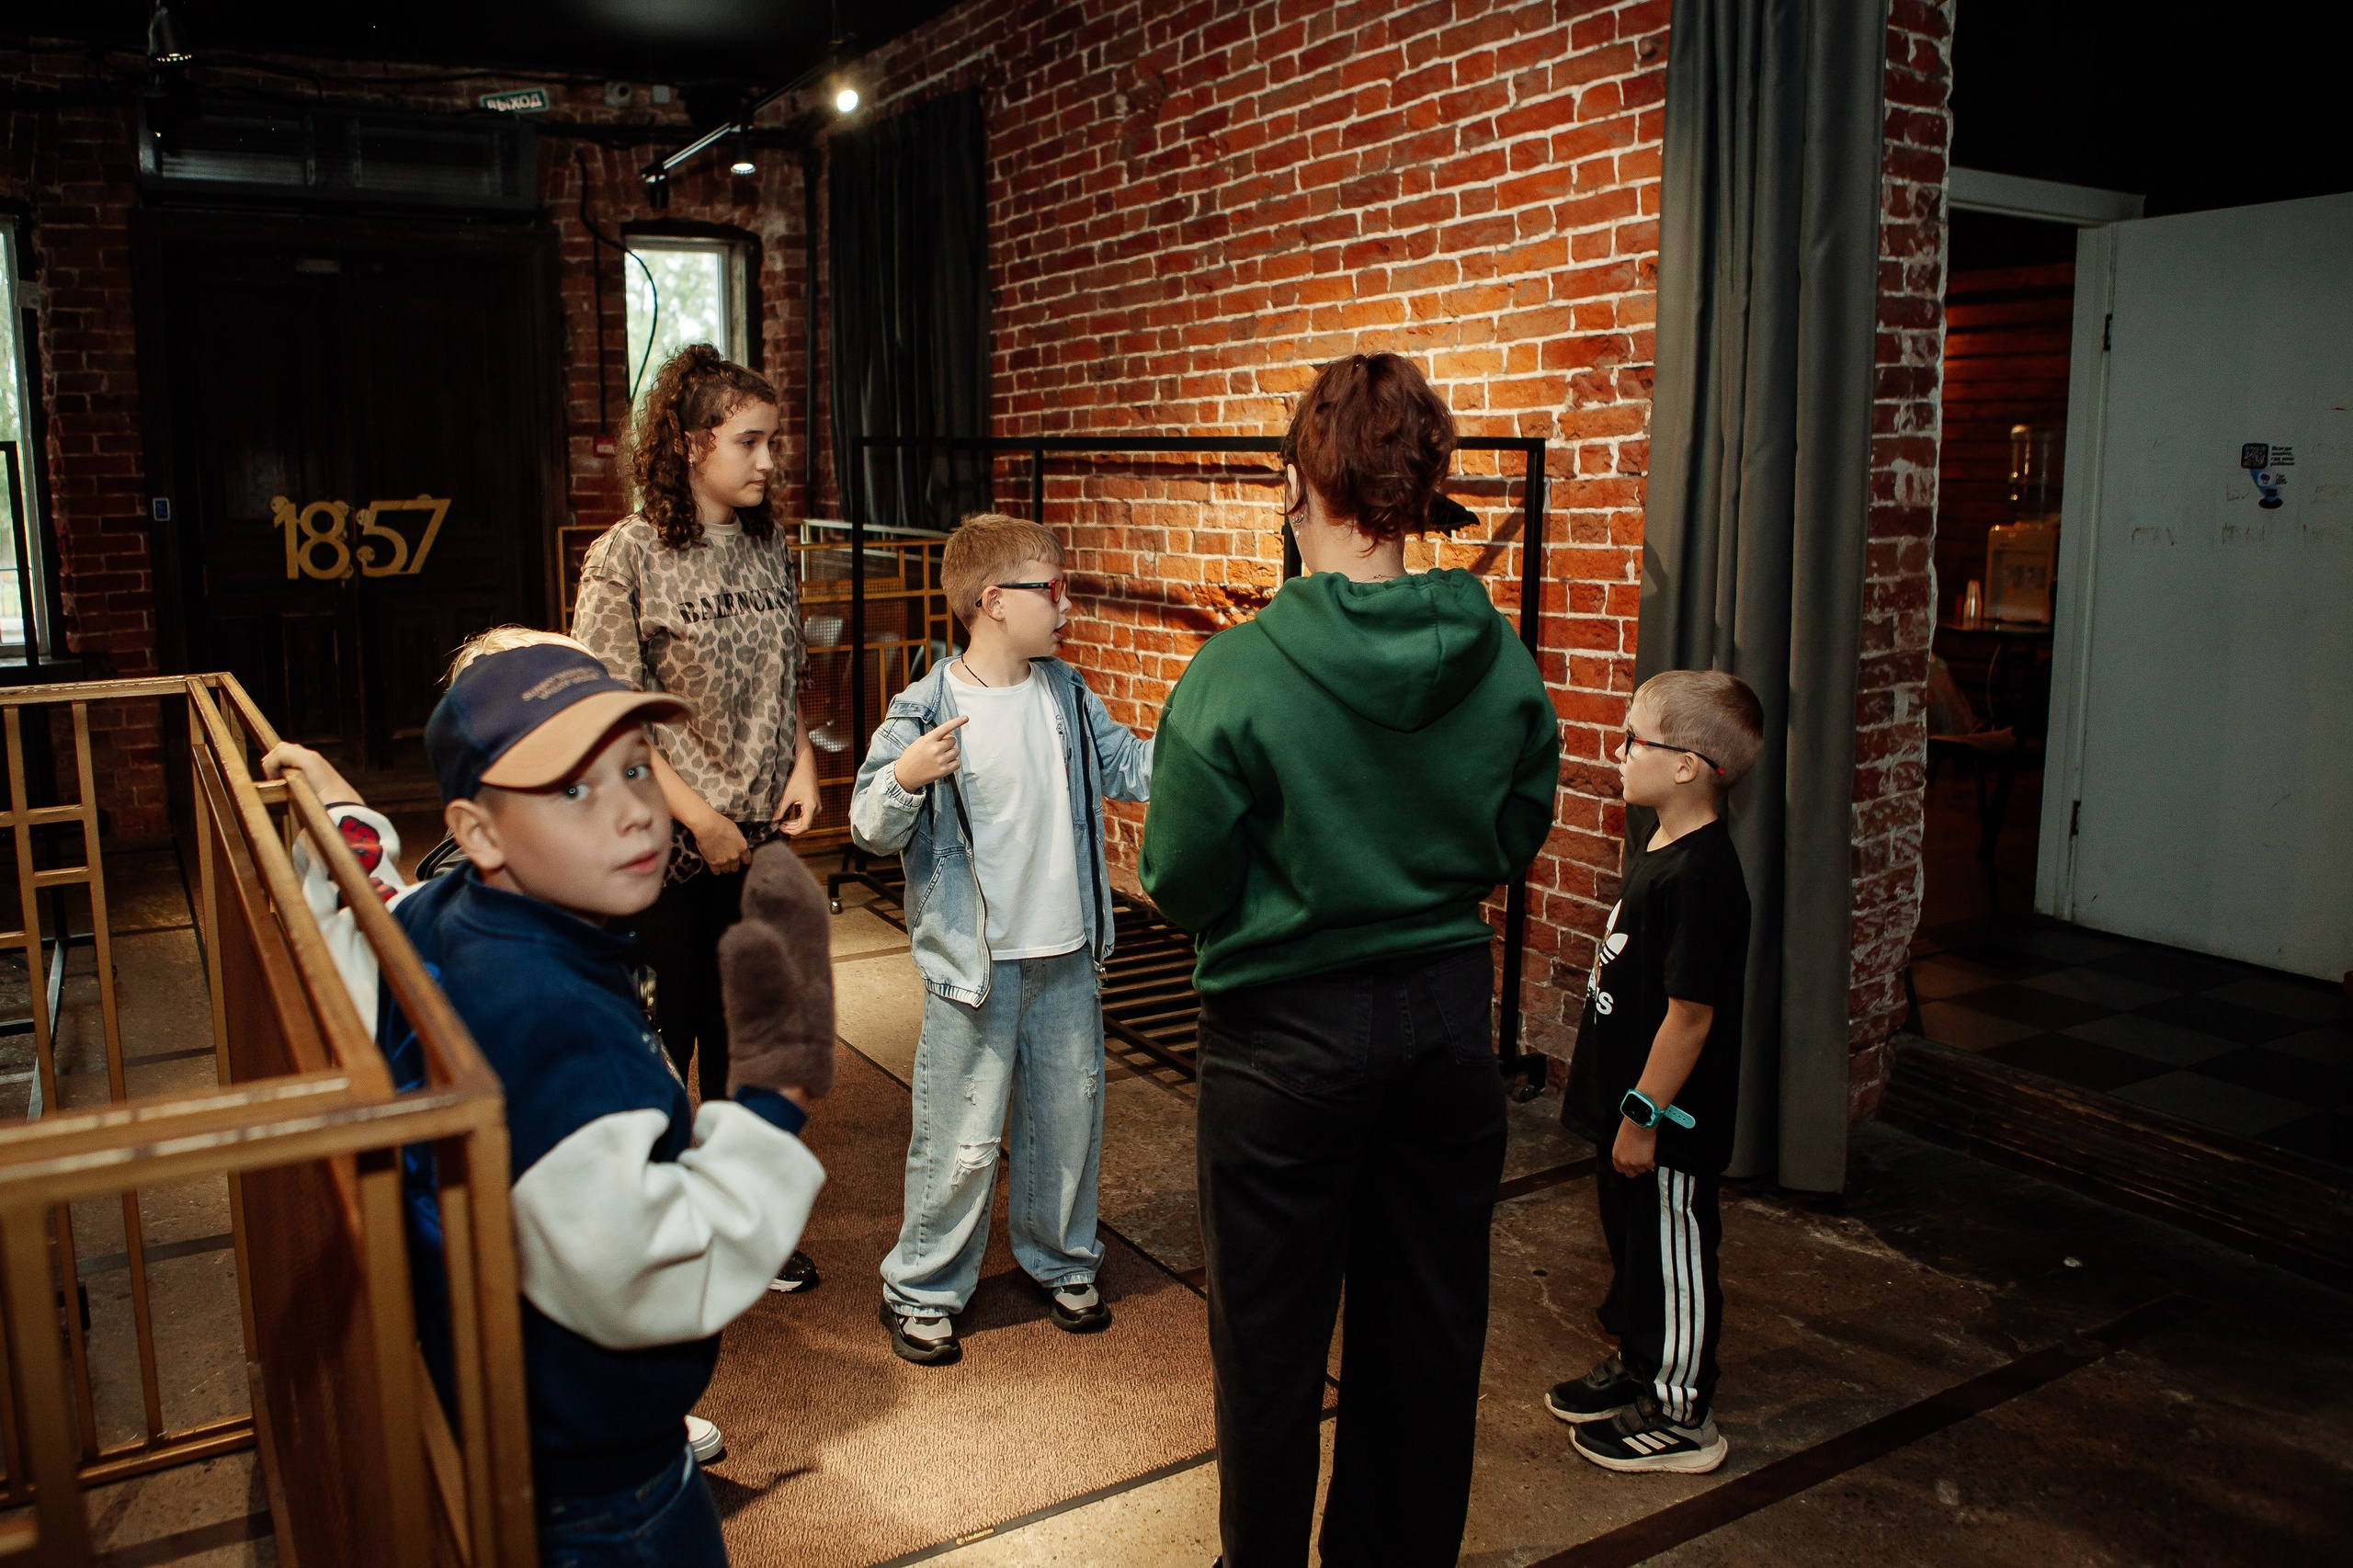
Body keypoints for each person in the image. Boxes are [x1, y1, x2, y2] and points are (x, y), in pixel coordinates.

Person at [266, 636, 832, 1566]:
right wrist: (774, 1088)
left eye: (638, 769)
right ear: (479, 830)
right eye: (573, 789)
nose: (634, 815)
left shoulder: (447, 914)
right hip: (604, 1479)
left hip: (492, 1398)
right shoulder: (558, 1023)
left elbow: (361, 916)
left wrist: (337, 815)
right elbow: (651, 1268)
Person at [1139, 352, 1561, 1567]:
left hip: (1284, 1041)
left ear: (1298, 483)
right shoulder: (1503, 659)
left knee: (1270, 1347)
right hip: (1442, 1022)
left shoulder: (1239, 672)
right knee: (1427, 1340)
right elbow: (1516, 828)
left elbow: (1179, 875)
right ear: (1426, 488)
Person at [848, 513, 1152, 1365]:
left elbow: (1133, 767)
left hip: (1067, 955)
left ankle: (1060, 1260)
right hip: (974, 973)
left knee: (1067, 1119)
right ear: (993, 602)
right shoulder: (924, 710)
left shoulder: (1066, 696)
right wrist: (906, 779)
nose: (1066, 606)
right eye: (1051, 589)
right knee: (961, 1137)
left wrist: (1219, 747)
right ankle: (923, 1287)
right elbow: (870, 823)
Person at [573, 343, 824, 1293]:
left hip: (757, 837)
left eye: (774, 442)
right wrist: (695, 817)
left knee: (744, 1039)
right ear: (688, 445)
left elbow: (785, 671)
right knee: (659, 1039)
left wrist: (797, 756)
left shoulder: (770, 545)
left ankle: (735, 1226)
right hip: (665, 848)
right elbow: (610, 711)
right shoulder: (625, 556)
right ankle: (647, 1234)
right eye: (750, 441)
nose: (768, 461)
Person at [1550, 669, 1760, 1475]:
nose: (1621, 749)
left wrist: (1642, 1115)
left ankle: (1681, 1415)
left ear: (1686, 766)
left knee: (1672, 1248)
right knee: (1634, 1245)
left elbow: (1691, 1015)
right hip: (1625, 1107)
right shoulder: (1660, 843)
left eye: (1636, 737)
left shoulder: (1704, 877)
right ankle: (1642, 1360)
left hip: (1665, 1120)